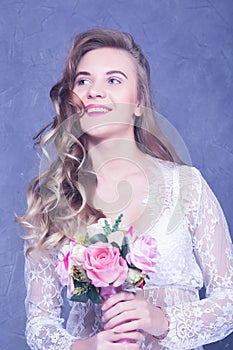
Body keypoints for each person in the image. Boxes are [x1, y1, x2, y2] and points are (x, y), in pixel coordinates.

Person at [17, 28, 233, 350]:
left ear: (139, 103)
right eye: (83, 81)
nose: (95, 92)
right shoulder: (53, 198)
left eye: (114, 80)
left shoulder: (187, 187)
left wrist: (162, 321)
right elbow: (40, 323)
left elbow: (229, 301)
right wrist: (86, 347)